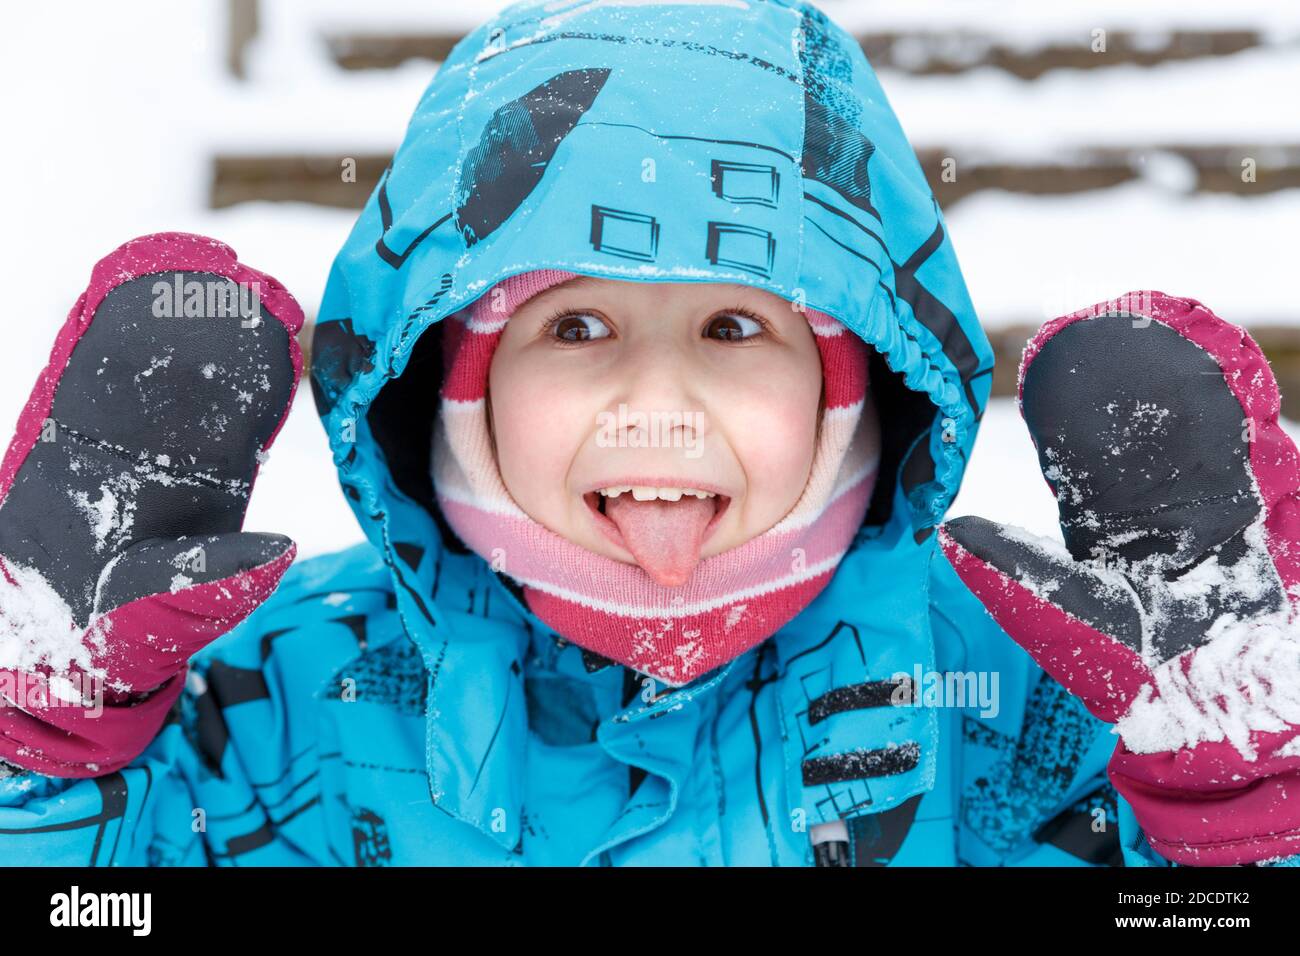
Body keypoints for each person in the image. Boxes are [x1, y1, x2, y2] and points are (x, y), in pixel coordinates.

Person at [1, 0, 1298, 867]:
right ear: (449, 378)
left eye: (735, 330)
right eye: (574, 330)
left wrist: (1235, 813)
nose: (656, 400)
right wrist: (43, 748)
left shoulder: (1019, 715)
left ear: (865, 381)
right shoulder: (279, 700)